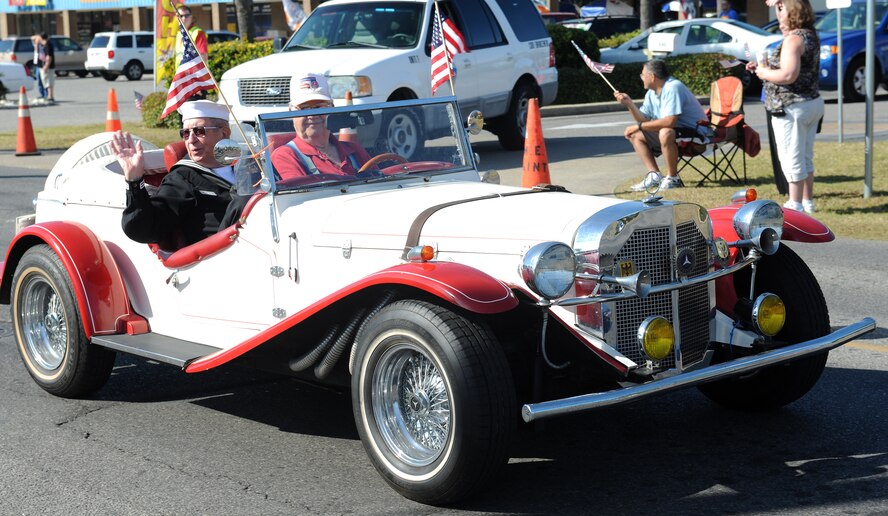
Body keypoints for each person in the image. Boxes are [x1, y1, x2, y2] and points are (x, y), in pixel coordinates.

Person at [112, 100, 245, 250]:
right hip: (221, 257)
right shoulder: (183, 178)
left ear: (224, 133)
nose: (191, 140)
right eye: (185, 133)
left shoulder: (247, 166)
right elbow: (143, 228)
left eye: (199, 131)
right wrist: (134, 180)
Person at [748, 0, 822, 213]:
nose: (778, 13)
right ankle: (807, 201)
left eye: (780, 8)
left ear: (791, 10)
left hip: (791, 106)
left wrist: (763, 73)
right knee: (805, 155)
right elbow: (793, 69)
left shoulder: (793, 39)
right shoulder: (810, 35)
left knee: (792, 156)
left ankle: (795, 203)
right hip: (811, 102)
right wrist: (766, 68)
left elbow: (789, 75)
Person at [613, 59, 709, 191]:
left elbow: (670, 122)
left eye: (642, 75)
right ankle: (654, 176)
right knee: (635, 135)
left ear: (652, 77)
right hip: (677, 134)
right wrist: (629, 104)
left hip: (698, 136)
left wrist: (638, 126)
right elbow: (644, 120)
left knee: (665, 132)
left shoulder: (673, 87)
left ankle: (673, 179)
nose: (641, 78)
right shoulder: (651, 93)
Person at [271, 73, 372, 179]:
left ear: (332, 108)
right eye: (304, 108)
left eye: (319, 107)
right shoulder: (285, 156)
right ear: (291, 112)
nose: (312, 115)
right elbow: (304, 195)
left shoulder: (354, 150)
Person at [38, 33, 55, 103]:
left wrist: (46, 66)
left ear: (41, 37)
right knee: (46, 80)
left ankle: (50, 96)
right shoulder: (45, 44)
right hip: (45, 65)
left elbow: (49, 57)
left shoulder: (47, 44)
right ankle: (49, 95)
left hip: (48, 66)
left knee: (48, 80)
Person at [31, 35, 46, 101]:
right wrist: (36, 41)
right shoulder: (35, 45)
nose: (35, 41)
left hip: (42, 64)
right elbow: (31, 37)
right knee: (39, 79)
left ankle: (46, 95)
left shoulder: (43, 46)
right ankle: (42, 94)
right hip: (37, 64)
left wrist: (39, 40)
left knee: (44, 80)